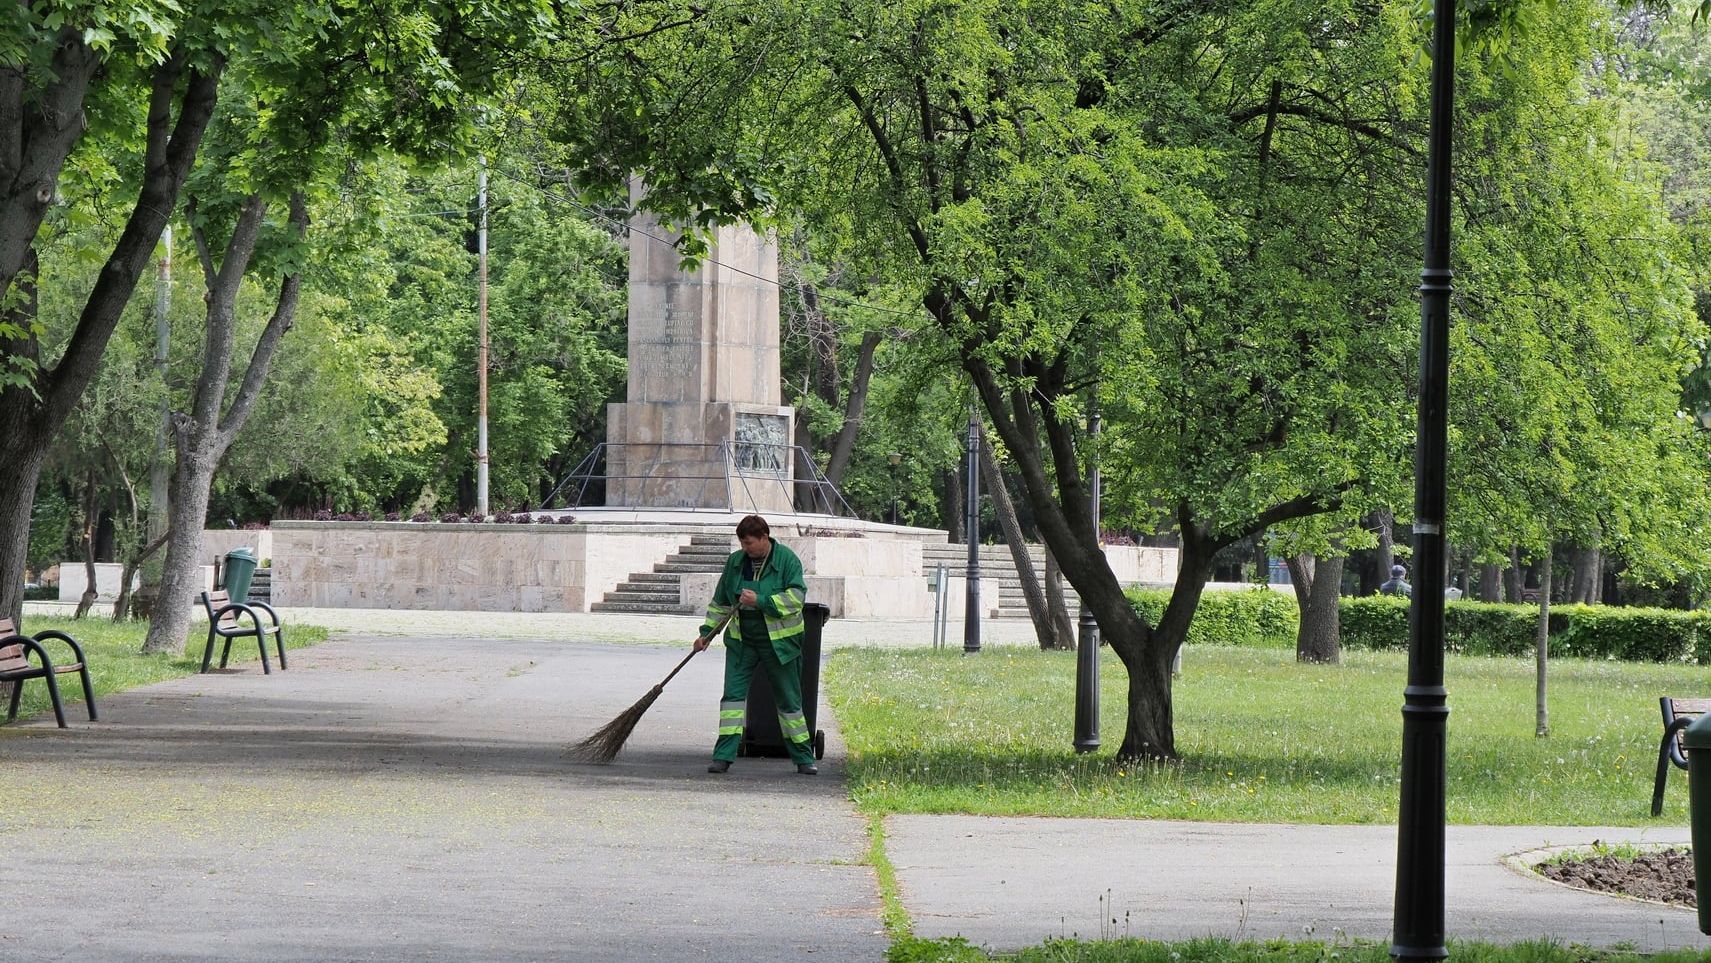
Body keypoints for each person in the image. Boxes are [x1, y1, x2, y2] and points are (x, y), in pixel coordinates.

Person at [694, 514, 817, 775]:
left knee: (789, 700)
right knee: (732, 698)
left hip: (779, 644)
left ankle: (804, 758)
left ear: (764, 538)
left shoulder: (787, 560)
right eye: (742, 543)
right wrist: (707, 634)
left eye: (749, 543)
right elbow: (720, 602)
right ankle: (723, 757)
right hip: (743, 641)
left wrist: (760, 601)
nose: (745, 548)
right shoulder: (736, 563)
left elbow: (796, 598)